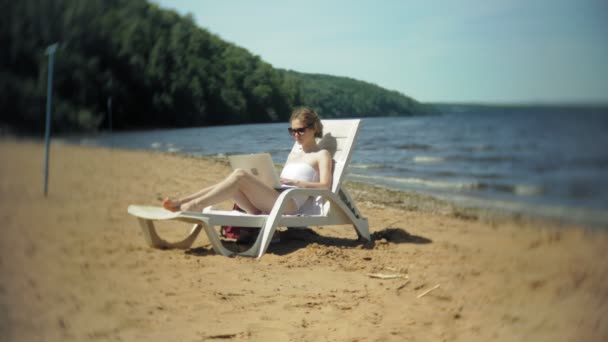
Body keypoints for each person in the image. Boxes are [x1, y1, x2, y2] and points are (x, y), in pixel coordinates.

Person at [162, 107, 332, 215]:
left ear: (313, 128)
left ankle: (194, 205)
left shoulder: (321, 154)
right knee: (232, 179)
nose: (295, 135)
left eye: (300, 130)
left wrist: (296, 182)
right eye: (292, 131)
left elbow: (325, 186)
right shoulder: (294, 153)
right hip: (274, 199)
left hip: (289, 205)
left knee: (240, 175)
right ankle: (183, 202)